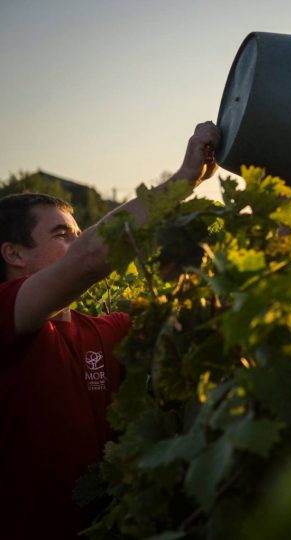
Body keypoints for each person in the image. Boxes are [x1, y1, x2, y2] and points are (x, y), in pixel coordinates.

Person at [0, 121, 221, 539]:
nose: (78, 243)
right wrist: (183, 180)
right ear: (14, 253)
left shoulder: (107, 331)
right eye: (63, 235)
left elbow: (197, 310)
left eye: (78, 235)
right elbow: (89, 258)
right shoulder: (4, 316)